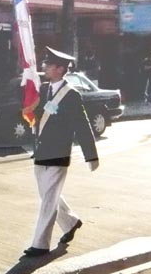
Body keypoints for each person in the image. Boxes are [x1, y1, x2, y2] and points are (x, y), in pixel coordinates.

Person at [22, 47, 99, 258]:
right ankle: (71, 222)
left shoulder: (71, 95)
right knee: (47, 195)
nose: (45, 67)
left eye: (49, 64)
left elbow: (82, 125)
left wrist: (91, 155)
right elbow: (37, 113)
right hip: (41, 151)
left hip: (58, 152)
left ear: (60, 69)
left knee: (48, 199)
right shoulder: (44, 89)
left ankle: (40, 244)